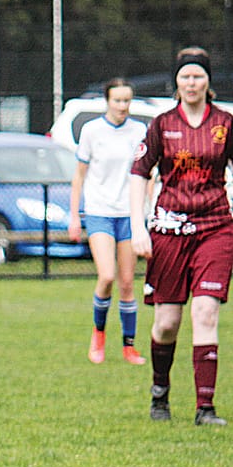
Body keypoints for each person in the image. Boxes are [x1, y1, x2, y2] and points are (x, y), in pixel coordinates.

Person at [130, 47, 233, 426]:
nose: (192, 83)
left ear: (208, 82)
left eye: (198, 76)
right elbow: (139, 173)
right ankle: (160, 393)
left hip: (216, 227)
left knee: (206, 311)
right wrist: (138, 227)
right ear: (176, 82)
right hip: (169, 231)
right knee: (167, 323)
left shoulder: (225, 122)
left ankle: (205, 408)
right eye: (186, 76)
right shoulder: (161, 124)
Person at [68, 78, 149, 366]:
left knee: (127, 283)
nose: (122, 106)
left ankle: (129, 346)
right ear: (107, 101)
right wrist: (74, 215)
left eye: (127, 101)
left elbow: (147, 175)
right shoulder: (92, 131)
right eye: (117, 100)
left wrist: (147, 212)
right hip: (100, 211)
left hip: (129, 214)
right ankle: (98, 334)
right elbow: (79, 176)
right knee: (107, 277)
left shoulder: (140, 131)